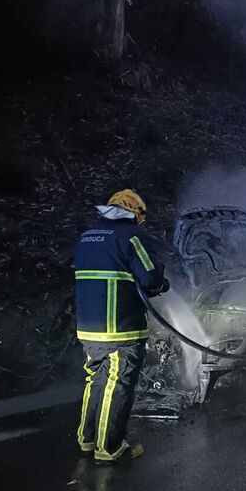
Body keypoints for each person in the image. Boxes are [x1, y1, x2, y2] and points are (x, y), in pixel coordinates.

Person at [74, 189, 169, 464]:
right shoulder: (131, 237)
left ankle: (87, 439)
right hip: (120, 327)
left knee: (96, 381)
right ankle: (111, 447)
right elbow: (150, 278)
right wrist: (161, 283)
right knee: (117, 386)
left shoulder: (86, 237)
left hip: (89, 327)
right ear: (134, 213)